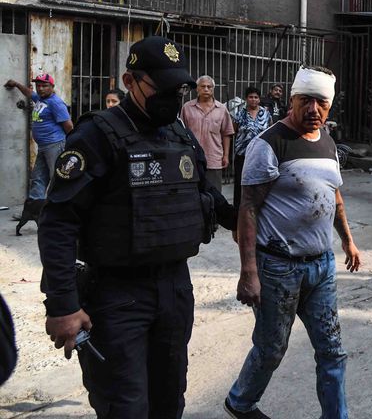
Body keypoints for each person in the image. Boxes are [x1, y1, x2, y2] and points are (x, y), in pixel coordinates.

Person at [38, 36, 234, 418]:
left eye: (178, 89)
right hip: (117, 295)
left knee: (169, 401)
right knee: (124, 407)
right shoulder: (97, 135)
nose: (172, 98)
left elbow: (212, 199)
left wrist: (256, 218)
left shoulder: (178, 133)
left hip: (175, 289)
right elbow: (58, 223)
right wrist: (63, 305)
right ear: (130, 81)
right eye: (161, 88)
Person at [227, 66, 361, 419]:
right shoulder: (268, 144)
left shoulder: (328, 142)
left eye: (321, 102)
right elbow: (248, 208)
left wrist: (348, 241)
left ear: (329, 107)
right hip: (278, 268)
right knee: (272, 347)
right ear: (292, 100)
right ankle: (240, 403)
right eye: (306, 101)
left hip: (321, 266)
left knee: (332, 350)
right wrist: (249, 271)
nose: (313, 109)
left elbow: (335, 197)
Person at [4, 73, 73, 235]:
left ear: (52, 87)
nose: (40, 88)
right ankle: (32, 211)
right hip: (43, 146)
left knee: (57, 178)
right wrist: (15, 83)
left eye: (44, 85)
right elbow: (29, 93)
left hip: (55, 145)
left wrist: (71, 145)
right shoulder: (40, 99)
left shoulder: (56, 103)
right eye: (38, 85)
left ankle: (58, 214)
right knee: (38, 179)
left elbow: (69, 126)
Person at [181, 76, 235, 193]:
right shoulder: (187, 108)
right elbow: (182, 132)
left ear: (213, 89)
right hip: (191, 158)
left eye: (209, 87)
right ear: (197, 89)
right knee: (193, 192)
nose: (206, 89)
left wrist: (225, 156)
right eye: (203, 86)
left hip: (214, 158)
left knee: (214, 193)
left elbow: (226, 133)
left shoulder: (221, 109)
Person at [231, 87, 271, 211]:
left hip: (260, 156)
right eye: (250, 97)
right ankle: (239, 211)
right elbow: (234, 131)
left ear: (259, 99)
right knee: (240, 184)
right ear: (246, 98)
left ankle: (257, 209)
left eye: (256, 97)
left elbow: (270, 131)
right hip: (243, 155)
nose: (253, 99)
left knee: (259, 184)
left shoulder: (265, 114)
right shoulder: (239, 114)